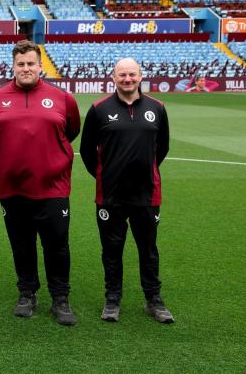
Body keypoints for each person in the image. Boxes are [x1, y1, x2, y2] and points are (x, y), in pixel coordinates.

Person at [0, 39, 80, 326]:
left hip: (52, 187)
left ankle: (60, 298)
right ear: (13, 67)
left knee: (57, 244)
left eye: (30, 63)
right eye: (20, 64)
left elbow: (70, 130)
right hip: (12, 188)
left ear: (40, 66)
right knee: (21, 244)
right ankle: (27, 292)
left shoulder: (62, 98)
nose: (26, 68)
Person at [80, 57, 174, 324]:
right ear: (113, 77)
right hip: (110, 196)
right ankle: (112, 299)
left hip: (146, 194)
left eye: (132, 74)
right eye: (122, 74)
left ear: (141, 76)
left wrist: (146, 171)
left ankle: (153, 300)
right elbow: (87, 151)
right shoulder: (99, 109)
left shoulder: (157, 108)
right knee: (111, 250)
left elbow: (162, 147)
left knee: (148, 249)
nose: (127, 79)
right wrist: (104, 175)